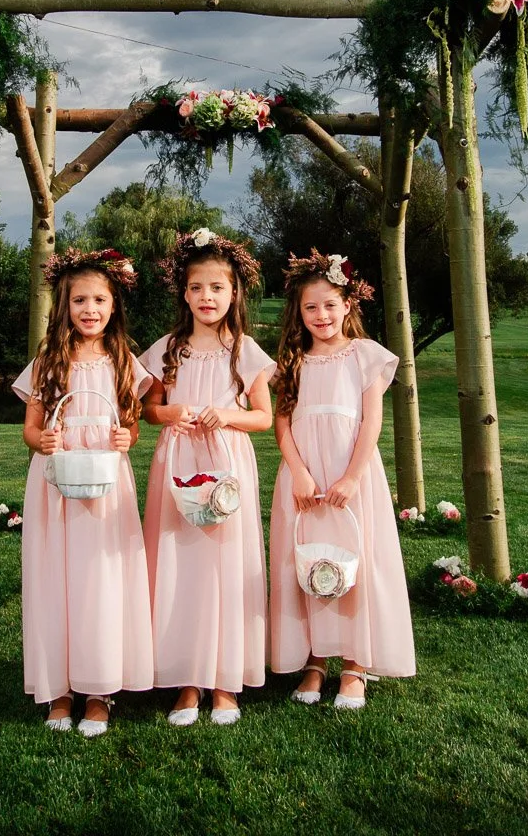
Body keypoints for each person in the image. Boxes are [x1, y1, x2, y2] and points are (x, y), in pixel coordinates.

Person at [12, 248, 153, 737]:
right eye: (79, 301)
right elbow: (31, 428)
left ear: (114, 306)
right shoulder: (48, 360)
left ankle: (99, 690)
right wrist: (43, 440)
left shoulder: (122, 360)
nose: (89, 309)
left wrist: (125, 439)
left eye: (99, 300)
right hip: (56, 485)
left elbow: (131, 427)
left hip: (106, 486)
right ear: (64, 306)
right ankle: (59, 689)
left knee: (100, 580)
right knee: (57, 580)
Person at [140, 228, 275, 726]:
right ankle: (185, 681)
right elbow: (149, 410)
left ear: (233, 292)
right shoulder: (168, 349)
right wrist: (173, 411)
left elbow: (262, 417)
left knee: (224, 567)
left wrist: (227, 415)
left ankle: (225, 683)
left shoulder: (246, 351)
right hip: (177, 462)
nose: (207, 297)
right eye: (197, 288)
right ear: (183, 292)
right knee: (180, 566)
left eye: (217, 288)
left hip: (227, 462)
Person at [269, 250, 415, 709]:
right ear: (299, 312)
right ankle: (315, 658)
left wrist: (352, 477)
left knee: (355, 559)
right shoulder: (293, 359)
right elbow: (282, 422)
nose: (321, 315)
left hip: (351, 475)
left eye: (330, 304)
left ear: (347, 304)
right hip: (305, 479)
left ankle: (355, 663)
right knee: (309, 561)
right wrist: (297, 470)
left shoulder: (366, 356)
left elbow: (371, 422)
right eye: (311, 307)